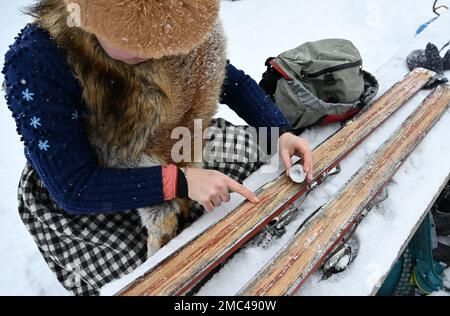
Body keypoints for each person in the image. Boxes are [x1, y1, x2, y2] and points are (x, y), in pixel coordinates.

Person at [2, 0, 313, 296]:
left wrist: (277, 132)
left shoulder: (171, 21)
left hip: (172, 138)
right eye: (137, 44)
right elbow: (72, 187)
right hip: (91, 186)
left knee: (254, 176)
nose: (155, 54)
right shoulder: (37, 59)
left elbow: (227, 79)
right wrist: (181, 182)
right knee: (158, 278)